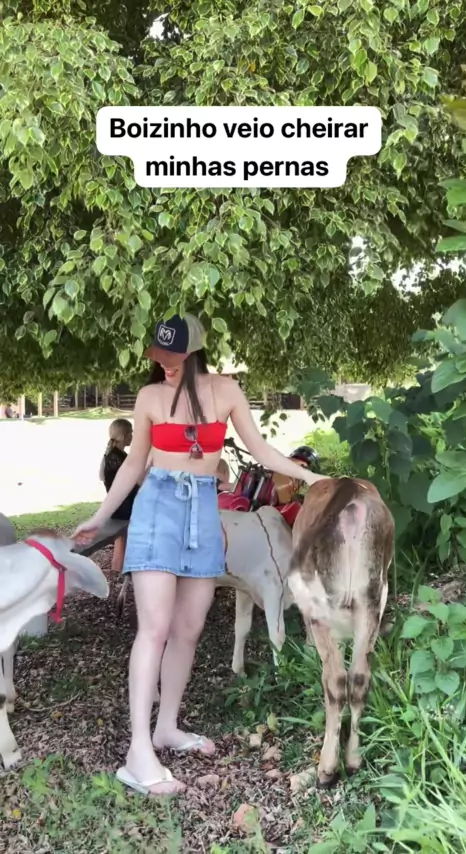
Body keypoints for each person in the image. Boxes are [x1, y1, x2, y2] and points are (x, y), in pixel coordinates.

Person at [73, 313, 328, 797]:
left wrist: (310, 478)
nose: (167, 365)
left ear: (195, 353)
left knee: (189, 627)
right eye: (161, 357)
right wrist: (101, 515)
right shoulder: (150, 397)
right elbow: (134, 463)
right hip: (157, 511)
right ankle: (138, 753)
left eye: (175, 357)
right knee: (154, 628)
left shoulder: (225, 391)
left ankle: (166, 727)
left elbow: (260, 448)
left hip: (204, 514)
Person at [99, 418, 138, 572]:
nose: (132, 436)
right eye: (130, 433)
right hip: (122, 507)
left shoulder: (117, 455)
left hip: (123, 504)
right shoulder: (115, 457)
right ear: (123, 436)